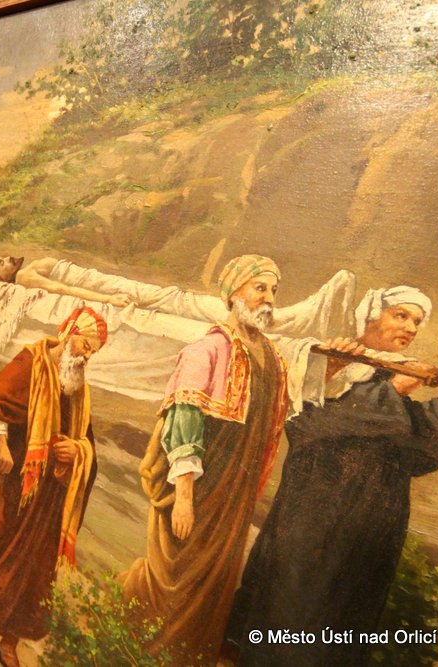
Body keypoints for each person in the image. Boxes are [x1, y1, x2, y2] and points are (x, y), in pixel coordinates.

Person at [222, 286, 438, 667]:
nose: (410, 328)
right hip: (315, 518)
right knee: (291, 611)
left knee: (345, 623)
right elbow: (308, 426)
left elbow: (413, 460)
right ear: (371, 316)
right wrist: (391, 389)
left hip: (372, 528)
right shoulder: (335, 363)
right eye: (400, 316)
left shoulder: (394, 379)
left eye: (416, 321)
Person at [119, 254, 290, 664]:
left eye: (273, 290)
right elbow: (184, 421)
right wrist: (184, 497)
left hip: (234, 493)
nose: (268, 299)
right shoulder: (207, 350)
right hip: (199, 488)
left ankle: (193, 654)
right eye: (260, 288)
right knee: (179, 575)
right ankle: (150, 653)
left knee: (216, 579)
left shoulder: (272, 356)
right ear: (234, 293)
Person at [0, 307, 107, 667]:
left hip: (52, 490)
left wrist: (78, 450)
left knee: (38, 565)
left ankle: (10, 640)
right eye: (86, 345)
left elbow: (87, 442)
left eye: (93, 351)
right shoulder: (31, 363)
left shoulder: (78, 387)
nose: (87, 355)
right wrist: (1, 444)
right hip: (18, 473)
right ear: (68, 332)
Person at [0, 255, 131, 307]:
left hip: (93, 279)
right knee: (135, 291)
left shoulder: (24, 272)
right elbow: (64, 289)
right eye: (2, 263)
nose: (8, 258)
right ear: (2, 279)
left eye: (3, 258)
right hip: (94, 283)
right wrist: (108, 299)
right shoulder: (22, 277)